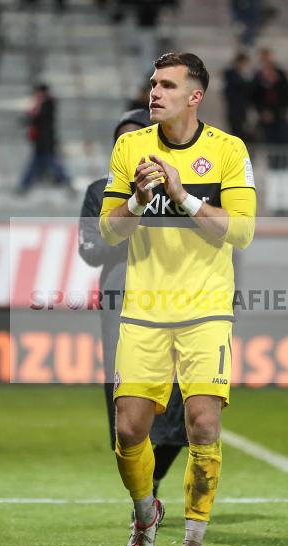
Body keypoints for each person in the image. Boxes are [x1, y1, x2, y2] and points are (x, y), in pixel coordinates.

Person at [99, 52, 256, 546]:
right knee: (128, 430)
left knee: (204, 425)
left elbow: (240, 232)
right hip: (144, 310)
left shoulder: (228, 151)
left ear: (195, 96)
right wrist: (141, 198)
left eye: (167, 85)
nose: (154, 92)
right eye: (152, 83)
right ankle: (146, 515)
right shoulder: (130, 147)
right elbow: (108, 231)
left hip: (206, 310)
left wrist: (181, 195)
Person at [78, 108, 187, 498]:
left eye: (136, 138)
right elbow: (91, 249)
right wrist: (134, 211)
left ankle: (152, 477)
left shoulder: (180, 187)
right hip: (121, 298)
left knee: (182, 401)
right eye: (120, 140)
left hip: (173, 298)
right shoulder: (98, 192)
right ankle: (142, 486)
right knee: (124, 396)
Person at [18, 83, 71, 193]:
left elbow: (38, 118)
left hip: (46, 142)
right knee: (38, 164)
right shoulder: (41, 104)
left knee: (50, 164)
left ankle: (24, 186)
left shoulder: (47, 104)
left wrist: (27, 120)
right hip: (41, 142)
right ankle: (24, 186)